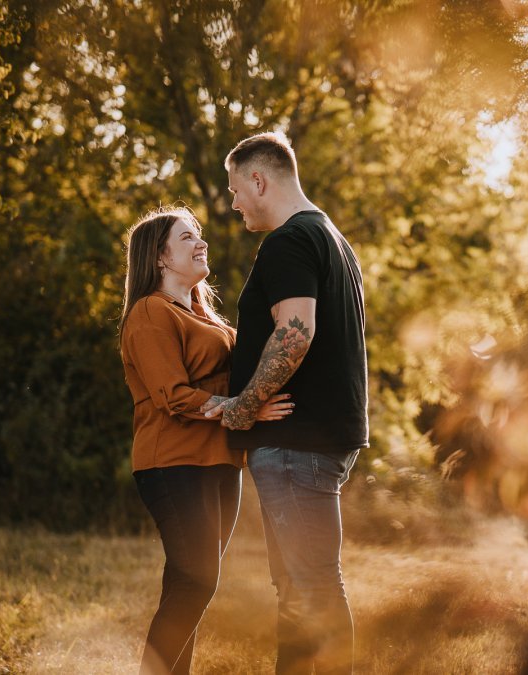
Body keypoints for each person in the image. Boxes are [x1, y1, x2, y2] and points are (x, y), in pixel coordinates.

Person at [205, 131, 369, 674]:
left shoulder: (289, 240)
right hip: (317, 440)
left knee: (312, 584)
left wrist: (244, 405)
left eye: (234, 190)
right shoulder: (333, 239)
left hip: (297, 443)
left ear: (259, 180)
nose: (232, 203)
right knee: (299, 587)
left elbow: (295, 332)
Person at [119, 206, 294, 675]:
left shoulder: (205, 315)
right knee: (197, 581)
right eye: (187, 237)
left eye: (199, 235)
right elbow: (174, 396)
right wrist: (246, 409)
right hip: (172, 462)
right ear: (159, 256)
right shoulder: (151, 312)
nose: (202, 243)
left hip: (220, 462)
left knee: (188, 584)